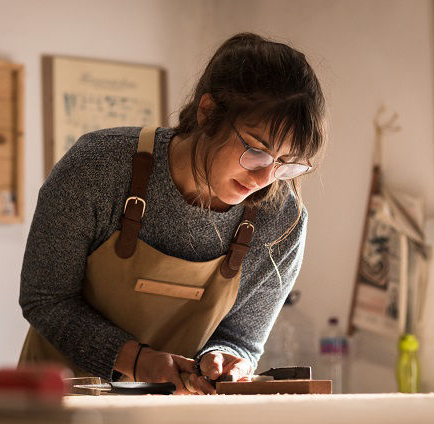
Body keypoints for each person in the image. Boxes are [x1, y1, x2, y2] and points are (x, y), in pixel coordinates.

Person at [18, 32, 326, 394]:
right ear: (208, 113)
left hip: (171, 415)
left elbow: (241, 338)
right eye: (257, 150)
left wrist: (225, 360)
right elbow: (46, 298)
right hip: (55, 404)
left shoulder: (281, 221)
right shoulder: (98, 167)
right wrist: (135, 360)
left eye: (286, 164)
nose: (265, 178)